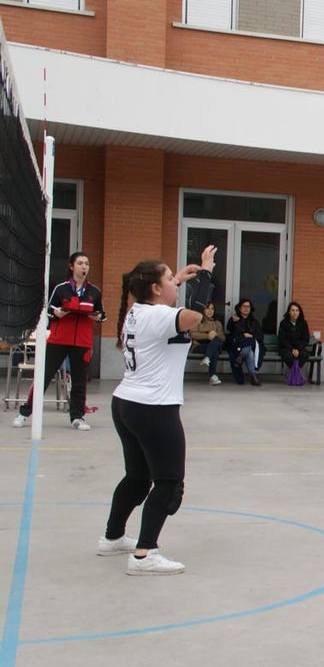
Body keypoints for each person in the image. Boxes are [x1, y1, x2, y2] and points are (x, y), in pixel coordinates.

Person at [98, 244, 217, 575]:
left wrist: (177, 278)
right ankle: (144, 554)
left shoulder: (138, 310)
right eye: (169, 280)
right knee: (169, 482)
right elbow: (194, 317)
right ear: (155, 288)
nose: (175, 284)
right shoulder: (158, 316)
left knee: (138, 477)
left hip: (126, 404)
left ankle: (112, 537)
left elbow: (166, 305)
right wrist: (206, 274)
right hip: (153, 409)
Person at [13, 251, 106, 430]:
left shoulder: (94, 291)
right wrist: (56, 313)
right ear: (72, 266)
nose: (84, 267)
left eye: (87, 263)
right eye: (80, 263)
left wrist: (97, 317)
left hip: (82, 341)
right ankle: (24, 413)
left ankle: (77, 417)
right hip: (59, 339)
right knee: (44, 376)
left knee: (79, 381)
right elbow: (48, 311)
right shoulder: (61, 288)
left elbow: (102, 315)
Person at [226, 298, 265, 386]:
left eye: (248, 306)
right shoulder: (234, 319)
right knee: (249, 351)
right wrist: (242, 334)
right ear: (240, 308)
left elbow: (260, 337)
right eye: (244, 306)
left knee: (251, 343)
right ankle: (253, 376)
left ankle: (241, 357)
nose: (246, 308)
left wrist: (251, 336)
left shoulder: (254, 322)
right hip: (237, 345)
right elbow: (230, 331)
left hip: (253, 346)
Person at [277, 301, 317, 384]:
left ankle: (291, 374)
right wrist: (292, 349)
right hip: (286, 348)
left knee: (304, 354)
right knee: (288, 356)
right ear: (289, 312)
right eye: (293, 310)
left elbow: (305, 339)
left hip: (299, 348)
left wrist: (298, 349)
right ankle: (296, 375)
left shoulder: (303, 323)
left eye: (297, 310)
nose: (295, 313)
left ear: (299, 312)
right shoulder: (283, 323)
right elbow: (282, 339)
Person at [189, 301, 225, 386]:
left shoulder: (217, 323)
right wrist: (207, 336)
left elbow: (223, 338)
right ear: (203, 310)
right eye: (207, 308)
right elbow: (193, 334)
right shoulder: (197, 321)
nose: (210, 311)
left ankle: (207, 358)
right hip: (199, 345)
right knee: (215, 352)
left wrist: (215, 334)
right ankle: (213, 376)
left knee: (216, 341)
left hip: (214, 344)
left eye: (212, 309)